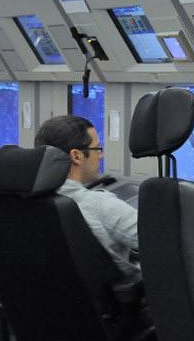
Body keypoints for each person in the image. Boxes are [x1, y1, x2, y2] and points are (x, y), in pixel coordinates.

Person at [34, 115, 140, 290]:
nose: (101, 156)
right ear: (76, 156)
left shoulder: (22, 203)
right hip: (108, 304)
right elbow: (162, 240)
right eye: (97, 148)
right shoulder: (98, 204)